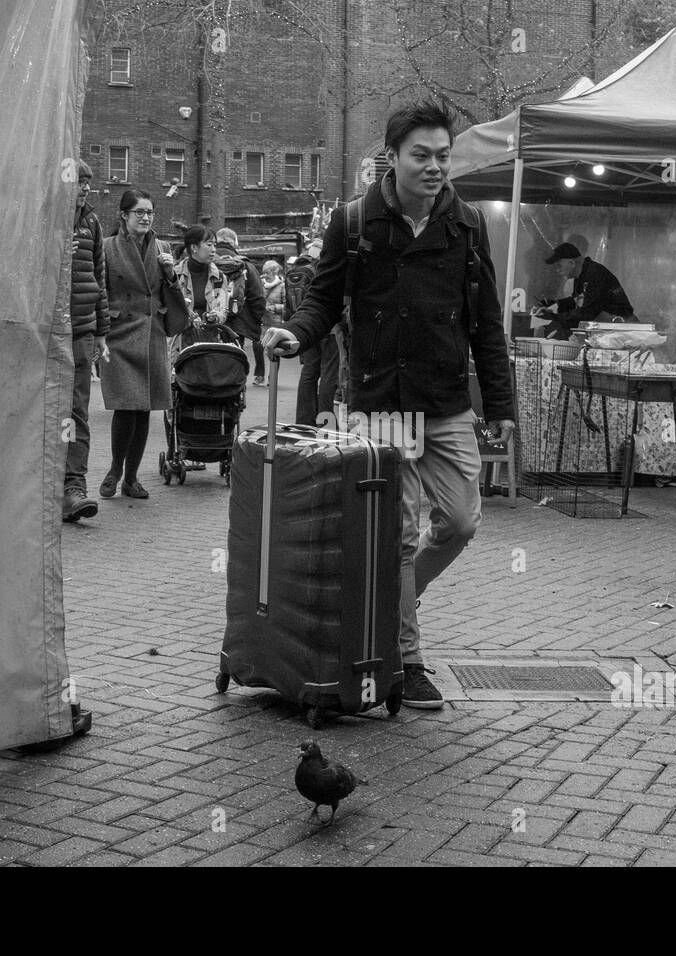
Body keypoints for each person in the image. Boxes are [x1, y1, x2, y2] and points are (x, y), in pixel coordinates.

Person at [262, 100, 516, 710]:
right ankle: (407, 657)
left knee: (459, 523)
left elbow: (485, 324)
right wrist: (296, 333)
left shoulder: (468, 225)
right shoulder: (354, 224)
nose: (434, 168)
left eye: (442, 157)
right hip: (381, 404)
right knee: (396, 536)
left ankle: (400, 600)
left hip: (448, 401)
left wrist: (502, 403)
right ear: (393, 157)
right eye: (421, 156)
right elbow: (322, 300)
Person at [99, 189, 190, 499]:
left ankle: (132, 478)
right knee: (125, 406)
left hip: (151, 334)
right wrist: (99, 332)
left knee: (144, 409)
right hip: (119, 335)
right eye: (139, 212)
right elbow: (99, 291)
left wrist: (170, 274)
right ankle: (114, 469)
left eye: (150, 212)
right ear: (124, 215)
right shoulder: (107, 248)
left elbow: (174, 296)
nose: (146, 218)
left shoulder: (163, 248)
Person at [63, 160, 108, 522]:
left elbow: (99, 279)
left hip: (82, 332)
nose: (85, 188)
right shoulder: (45, 217)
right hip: (46, 334)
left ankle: (73, 489)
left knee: (78, 413)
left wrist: (101, 332)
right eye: (80, 181)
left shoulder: (92, 221)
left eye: (87, 183)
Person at [541, 239, 636, 339]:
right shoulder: (581, 276)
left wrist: (555, 317)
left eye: (559, 265)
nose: (557, 270)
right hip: (610, 330)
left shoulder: (594, 274)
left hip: (623, 330)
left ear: (572, 263)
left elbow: (587, 312)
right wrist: (555, 305)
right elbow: (577, 302)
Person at [289, 239, 339, 426]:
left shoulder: (295, 270)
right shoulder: (325, 267)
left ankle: (303, 420)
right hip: (329, 328)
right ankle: (325, 421)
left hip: (304, 327)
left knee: (309, 371)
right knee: (328, 373)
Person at [213, 227, 268, 383]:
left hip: (211, 318)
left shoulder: (207, 262)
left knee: (211, 352)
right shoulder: (245, 265)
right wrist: (256, 320)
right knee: (235, 354)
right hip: (238, 320)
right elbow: (258, 296)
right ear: (235, 243)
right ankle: (233, 389)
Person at [173, 226, 232, 331]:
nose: (213, 250)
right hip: (179, 340)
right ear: (194, 247)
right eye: (209, 245)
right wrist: (189, 316)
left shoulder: (219, 278)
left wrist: (215, 317)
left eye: (215, 245)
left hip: (208, 339)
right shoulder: (175, 275)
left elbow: (222, 310)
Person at [259, 259, 286, 386]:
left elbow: (286, 306)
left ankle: (272, 377)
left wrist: (275, 308)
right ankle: (260, 375)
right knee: (259, 348)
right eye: (264, 272)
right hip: (262, 322)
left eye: (268, 272)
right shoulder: (259, 284)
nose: (266, 274)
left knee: (274, 349)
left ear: (274, 272)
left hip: (276, 323)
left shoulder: (282, 286)